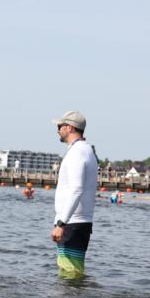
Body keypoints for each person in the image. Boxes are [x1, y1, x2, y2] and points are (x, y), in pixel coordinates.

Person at [50, 111, 98, 279]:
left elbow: (76, 189)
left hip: (72, 222)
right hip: (77, 221)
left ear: (69, 128)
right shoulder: (87, 150)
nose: (57, 130)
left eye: (59, 126)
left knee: (70, 274)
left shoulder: (78, 152)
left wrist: (61, 223)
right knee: (72, 273)